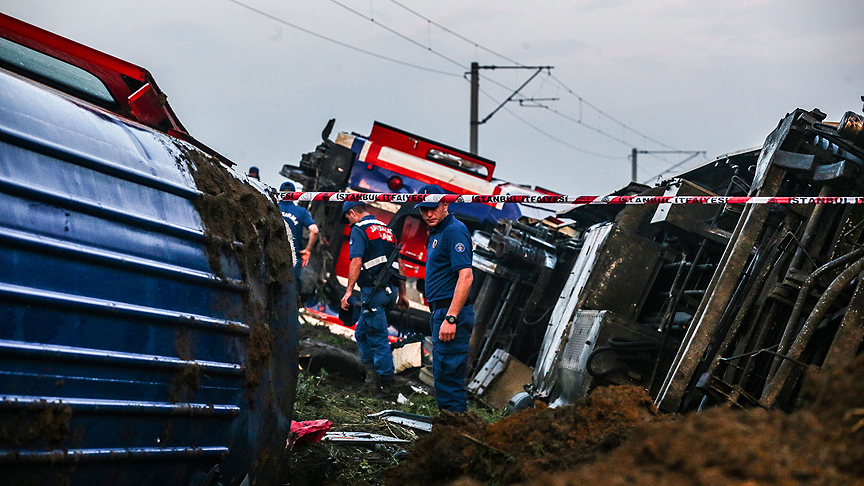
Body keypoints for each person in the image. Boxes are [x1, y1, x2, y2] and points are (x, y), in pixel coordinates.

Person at [414, 184, 475, 413]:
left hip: (450, 313)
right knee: (443, 375)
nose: (428, 214)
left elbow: (466, 277)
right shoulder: (439, 232)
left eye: (432, 208)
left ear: (445, 204)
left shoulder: (453, 231)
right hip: (441, 312)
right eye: (423, 210)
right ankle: (450, 427)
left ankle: (456, 432)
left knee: (449, 377)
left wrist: (451, 318)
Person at [339, 201, 408, 396]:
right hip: (390, 292)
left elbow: (356, 261)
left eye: (348, 219)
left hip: (374, 293)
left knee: (378, 339)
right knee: (362, 333)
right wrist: (402, 295)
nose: (349, 223)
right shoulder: (388, 230)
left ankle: (385, 386)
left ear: (352, 213)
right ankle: (369, 377)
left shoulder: (360, 229)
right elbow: (400, 265)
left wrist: (348, 292)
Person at [278, 181, 318, 285]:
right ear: (294, 195)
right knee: (289, 291)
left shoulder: (273, 207)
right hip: (293, 258)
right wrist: (307, 250)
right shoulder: (301, 212)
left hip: (272, 254)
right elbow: (314, 230)